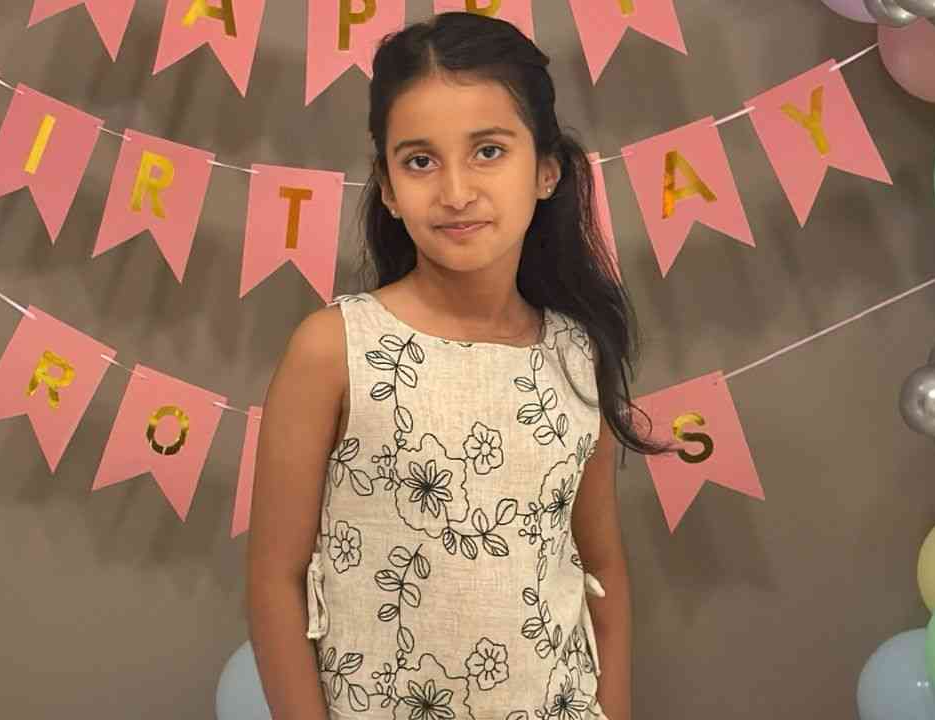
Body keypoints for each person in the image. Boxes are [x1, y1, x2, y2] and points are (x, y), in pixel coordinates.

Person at [246, 11, 666, 720]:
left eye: (488, 151)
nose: (456, 191)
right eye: (420, 161)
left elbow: (601, 568)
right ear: (386, 186)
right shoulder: (335, 348)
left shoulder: (575, 353)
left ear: (547, 170)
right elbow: (273, 582)